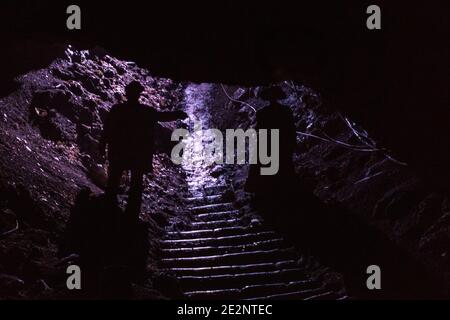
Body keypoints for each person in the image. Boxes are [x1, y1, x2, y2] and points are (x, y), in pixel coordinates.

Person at [99, 81, 187, 218]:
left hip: (119, 151)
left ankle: (110, 210)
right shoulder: (145, 111)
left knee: (114, 181)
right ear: (139, 95)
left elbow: (107, 129)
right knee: (135, 185)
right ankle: (131, 215)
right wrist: (178, 114)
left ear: (126, 93)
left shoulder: (117, 109)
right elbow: (162, 116)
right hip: (137, 154)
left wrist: (102, 145)